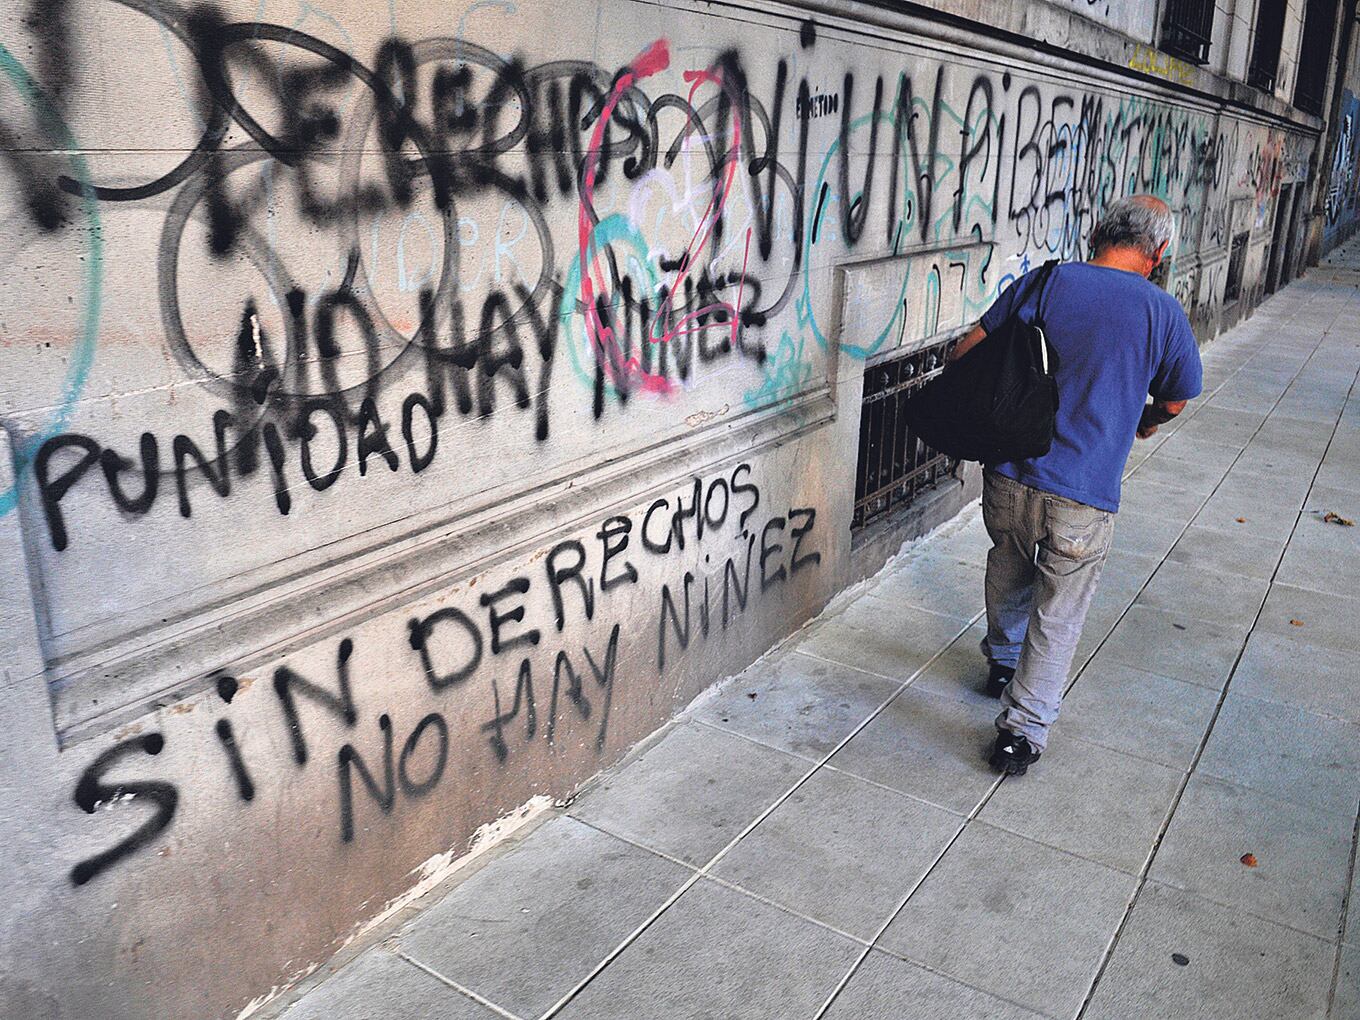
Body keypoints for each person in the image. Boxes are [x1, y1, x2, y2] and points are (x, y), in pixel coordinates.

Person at [948, 195, 1203, 776]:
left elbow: (969, 348)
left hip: (1011, 474)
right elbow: (1177, 397)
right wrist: (1144, 420)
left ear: (1098, 233)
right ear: (1158, 251)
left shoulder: (1047, 282)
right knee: (1059, 609)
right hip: (1084, 494)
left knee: (1008, 564)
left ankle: (1003, 663)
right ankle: (1021, 733)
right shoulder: (1161, 313)